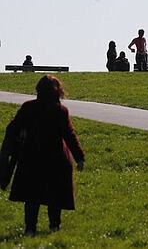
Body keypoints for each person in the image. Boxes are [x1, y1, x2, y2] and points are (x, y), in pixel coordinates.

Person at [1, 75, 85, 236]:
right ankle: (54, 226)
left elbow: (12, 128)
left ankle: (30, 229)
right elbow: (69, 135)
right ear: (57, 91)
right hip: (56, 159)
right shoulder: (60, 111)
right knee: (55, 196)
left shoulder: (28, 107)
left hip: (30, 158)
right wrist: (79, 157)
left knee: (32, 197)